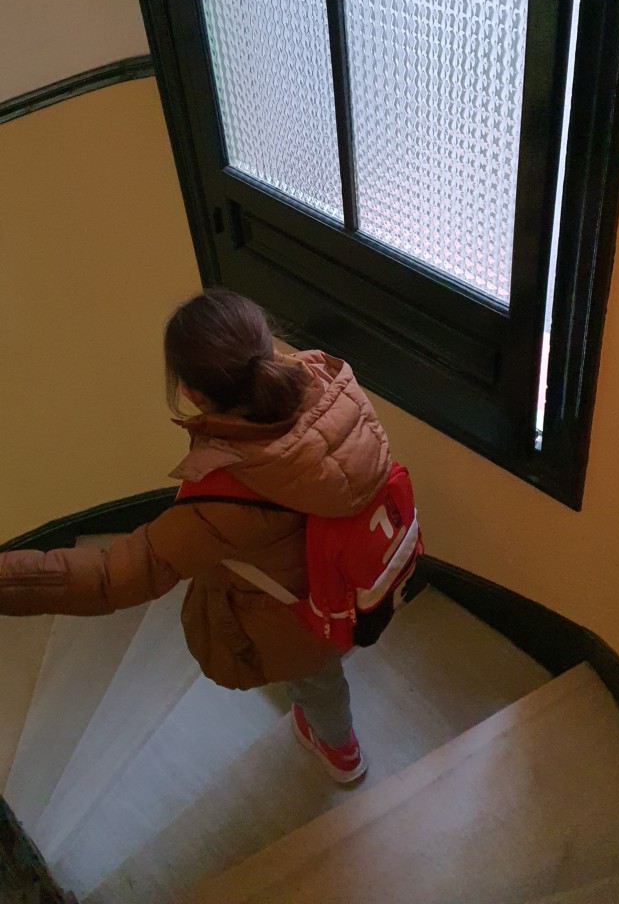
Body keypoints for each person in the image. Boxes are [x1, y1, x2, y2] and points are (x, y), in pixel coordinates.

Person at [0, 289, 394, 784]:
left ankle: (342, 754)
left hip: (298, 620)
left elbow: (109, 577)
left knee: (315, 678)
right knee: (322, 674)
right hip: (360, 580)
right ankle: (337, 738)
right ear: (267, 344)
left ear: (192, 394)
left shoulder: (223, 495)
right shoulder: (333, 386)